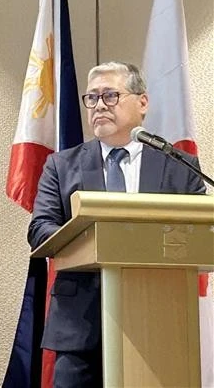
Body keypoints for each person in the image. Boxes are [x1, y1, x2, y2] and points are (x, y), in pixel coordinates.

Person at [27, 61, 206, 388]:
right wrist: (92, 241)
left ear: (142, 103)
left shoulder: (179, 167)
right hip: (80, 327)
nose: (99, 106)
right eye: (92, 98)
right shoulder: (62, 166)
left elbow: (201, 231)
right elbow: (40, 229)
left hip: (160, 322)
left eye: (110, 96)